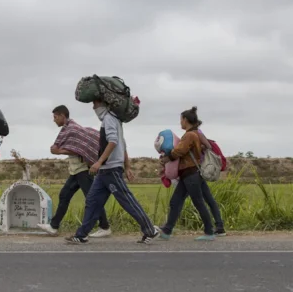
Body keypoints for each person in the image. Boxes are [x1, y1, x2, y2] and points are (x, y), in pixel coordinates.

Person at [66, 100, 159, 244]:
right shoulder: (113, 119)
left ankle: (150, 230)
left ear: (104, 104)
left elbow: (114, 141)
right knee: (92, 201)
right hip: (104, 171)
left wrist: (99, 162)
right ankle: (81, 235)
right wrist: (127, 166)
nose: (93, 107)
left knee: (126, 200)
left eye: (95, 104)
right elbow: (123, 143)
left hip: (111, 169)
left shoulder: (109, 119)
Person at [37, 105, 111, 238]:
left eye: (55, 117)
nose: (54, 120)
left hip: (83, 170)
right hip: (76, 171)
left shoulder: (73, 129)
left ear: (62, 116)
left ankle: (104, 226)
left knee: (92, 198)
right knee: (64, 195)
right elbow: (74, 147)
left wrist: (59, 151)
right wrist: (58, 150)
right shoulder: (67, 129)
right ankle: (54, 226)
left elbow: (78, 149)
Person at [155, 107, 221, 241]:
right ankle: (167, 230)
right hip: (190, 175)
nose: (180, 122)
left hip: (191, 175)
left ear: (185, 120)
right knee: (176, 201)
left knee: (198, 203)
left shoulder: (190, 135)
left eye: (181, 119)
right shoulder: (195, 133)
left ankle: (209, 232)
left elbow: (180, 151)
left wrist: (167, 157)